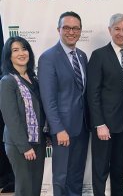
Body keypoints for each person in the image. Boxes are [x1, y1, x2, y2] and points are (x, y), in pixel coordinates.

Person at [38, 11, 89, 195]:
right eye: (66, 27)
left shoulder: (82, 56)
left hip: (82, 127)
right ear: (58, 29)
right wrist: (58, 128)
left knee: (76, 174)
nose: (71, 32)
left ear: (80, 31)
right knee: (61, 176)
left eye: (76, 28)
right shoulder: (48, 58)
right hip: (63, 129)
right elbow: (48, 98)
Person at [87, 13, 123, 196]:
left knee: (118, 165)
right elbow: (92, 93)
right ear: (110, 30)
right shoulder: (99, 55)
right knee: (100, 167)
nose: (121, 33)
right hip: (104, 125)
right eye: (117, 29)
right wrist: (99, 124)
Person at [0, 36, 46, 196]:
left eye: (24, 48)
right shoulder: (7, 81)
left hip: (38, 141)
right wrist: (24, 147)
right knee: (25, 188)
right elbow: (11, 118)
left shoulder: (35, 79)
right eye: (15, 50)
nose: (21, 53)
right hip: (20, 145)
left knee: (35, 187)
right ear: (8, 56)